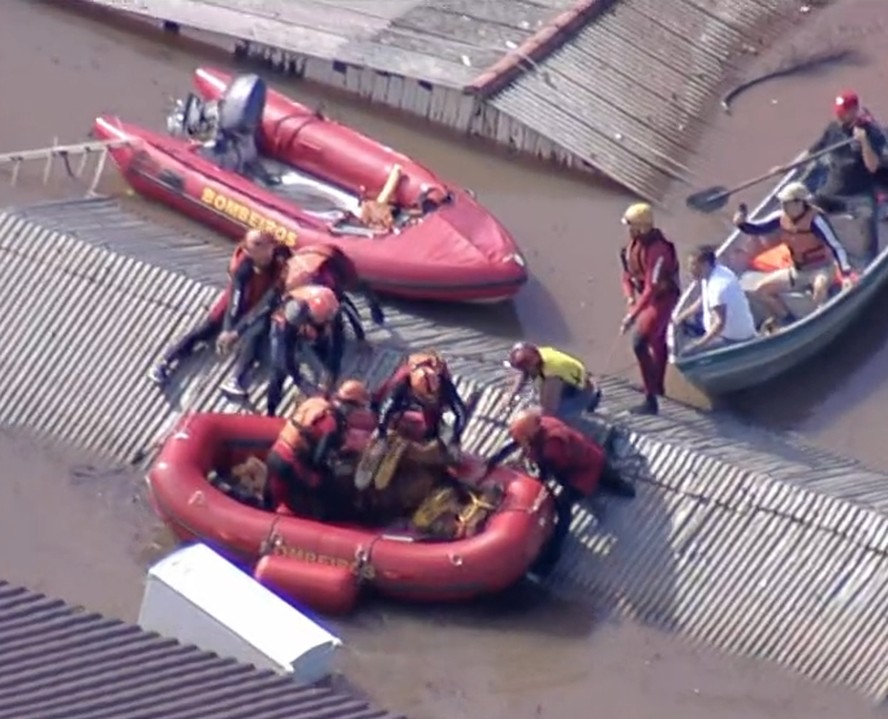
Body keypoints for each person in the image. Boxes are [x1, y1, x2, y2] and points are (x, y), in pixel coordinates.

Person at [486, 407, 635, 575]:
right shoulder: (540, 425)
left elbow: (551, 473)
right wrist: (493, 460)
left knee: (563, 507)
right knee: (603, 467)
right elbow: (515, 444)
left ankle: (551, 557)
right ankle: (618, 484)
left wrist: (535, 477)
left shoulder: (552, 447)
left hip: (582, 469)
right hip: (588, 452)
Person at [148, 229, 289, 391]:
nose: (266, 249)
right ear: (249, 251)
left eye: (267, 244)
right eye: (258, 246)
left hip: (262, 304)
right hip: (238, 300)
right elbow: (236, 300)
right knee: (208, 327)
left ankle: (237, 378)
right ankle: (165, 362)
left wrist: (238, 331)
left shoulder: (281, 264)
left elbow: (267, 301)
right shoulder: (243, 267)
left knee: (255, 332)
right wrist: (228, 329)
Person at [733, 181, 855, 328]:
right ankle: (789, 321)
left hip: (822, 268)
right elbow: (757, 229)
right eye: (782, 203)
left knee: (820, 286)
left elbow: (836, 246)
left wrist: (846, 275)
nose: (783, 206)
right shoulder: (780, 217)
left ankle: (820, 321)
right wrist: (741, 224)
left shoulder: (816, 221)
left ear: (799, 203)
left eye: (787, 203)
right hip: (797, 270)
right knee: (762, 290)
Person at [223, 283, 343, 416]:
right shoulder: (289, 317)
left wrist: (332, 372)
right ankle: (271, 410)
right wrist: (308, 388)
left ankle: (322, 389)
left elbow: (338, 343)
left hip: (312, 320)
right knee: (278, 370)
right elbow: (287, 362)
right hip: (284, 327)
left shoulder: (331, 309)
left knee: (326, 359)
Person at [803, 91, 887, 261]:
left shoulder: (871, 133)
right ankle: (815, 252)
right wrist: (783, 169)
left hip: (859, 194)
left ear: (854, 110)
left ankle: (867, 264)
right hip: (832, 191)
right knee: (803, 210)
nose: (839, 115)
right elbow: (813, 152)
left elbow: (872, 166)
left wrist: (863, 141)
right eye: (838, 112)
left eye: (843, 112)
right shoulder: (833, 129)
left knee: (868, 218)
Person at [619, 202, 681, 415]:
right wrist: (629, 298)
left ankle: (650, 398)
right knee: (657, 340)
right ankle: (657, 386)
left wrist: (632, 315)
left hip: (662, 299)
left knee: (640, 342)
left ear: (643, 227)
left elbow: (652, 287)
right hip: (648, 299)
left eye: (632, 226)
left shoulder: (658, 251)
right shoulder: (632, 247)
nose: (629, 230)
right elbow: (627, 275)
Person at [264, 395, 347, 516]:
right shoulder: (330, 422)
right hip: (288, 463)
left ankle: (264, 510)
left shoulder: (314, 402)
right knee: (318, 484)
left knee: (270, 499)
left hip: (274, 452)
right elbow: (318, 459)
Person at [284, 244, 385, 342]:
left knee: (355, 288)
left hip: (332, 261)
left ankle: (375, 309)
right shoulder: (290, 289)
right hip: (306, 258)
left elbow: (349, 311)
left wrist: (361, 337)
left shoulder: (327, 292)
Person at [372, 351, 468, 450]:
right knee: (385, 394)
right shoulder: (402, 383)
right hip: (409, 380)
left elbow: (461, 413)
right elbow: (386, 409)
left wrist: (455, 438)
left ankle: (431, 433)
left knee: (433, 418)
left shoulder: (445, 385)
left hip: (433, 394)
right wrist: (381, 435)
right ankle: (376, 407)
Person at [673, 245, 757, 352]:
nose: (689, 269)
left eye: (693, 265)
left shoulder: (718, 287)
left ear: (705, 265)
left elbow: (719, 324)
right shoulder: (713, 272)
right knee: (689, 323)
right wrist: (681, 317)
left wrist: (698, 345)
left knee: (686, 352)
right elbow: (703, 300)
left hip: (733, 338)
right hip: (727, 327)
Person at [505, 342, 601, 419]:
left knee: (555, 417)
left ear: (532, 366)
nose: (522, 371)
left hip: (582, 393)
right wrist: (512, 394)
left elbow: (549, 410)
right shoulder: (537, 354)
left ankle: (587, 406)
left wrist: (524, 415)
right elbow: (524, 373)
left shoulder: (551, 375)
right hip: (569, 385)